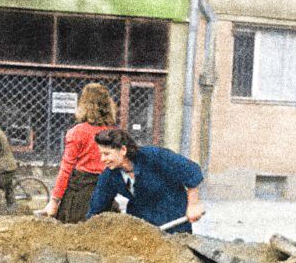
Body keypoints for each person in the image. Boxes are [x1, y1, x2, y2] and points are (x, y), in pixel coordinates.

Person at [86, 128, 205, 233]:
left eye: (107, 154)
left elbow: (191, 170)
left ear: (123, 150)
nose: (102, 159)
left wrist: (193, 204)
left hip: (173, 218)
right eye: (101, 154)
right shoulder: (109, 175)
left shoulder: (154, 156)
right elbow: (97, 207)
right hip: (142, 224)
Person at [41, 83, 117, 223]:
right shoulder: (113, 133)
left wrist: (54, 200)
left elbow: (66, 169)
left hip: (79, 197)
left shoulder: (78, 132)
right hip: (105, 194)